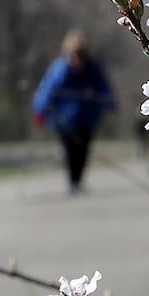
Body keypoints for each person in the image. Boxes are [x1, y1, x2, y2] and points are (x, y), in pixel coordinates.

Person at [32, 31, 115, 193]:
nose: (77, 58)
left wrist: (109, 103)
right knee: (70, 149)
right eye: (73, 54)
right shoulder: (59, 69)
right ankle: (72, 180)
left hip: (87, 117)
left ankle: (78, 179)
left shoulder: (93, 68)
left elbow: (104, 88)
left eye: (80, 54)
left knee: (83, 150)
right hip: (64, 119)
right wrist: (39, 111)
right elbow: (46, 90)